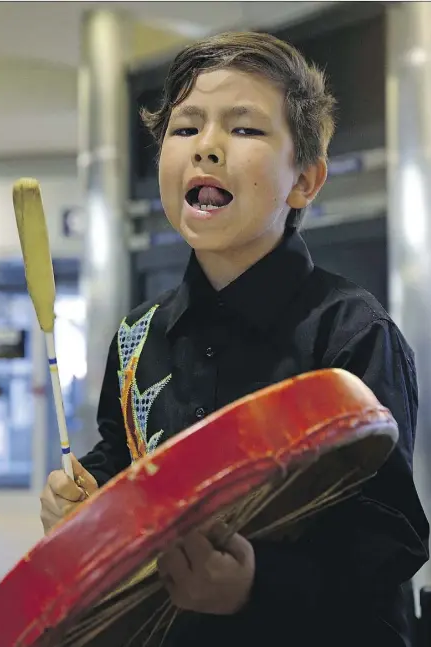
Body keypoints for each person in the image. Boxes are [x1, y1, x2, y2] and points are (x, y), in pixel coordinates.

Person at [40, 32, 429, 647]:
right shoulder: (137, 335)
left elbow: (390, 535)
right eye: (186, 128)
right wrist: (83, 495)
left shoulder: (351, 333)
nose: (208, 148)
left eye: (244, 129)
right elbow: (125, 456)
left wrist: (256, 584)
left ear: (304, 180)